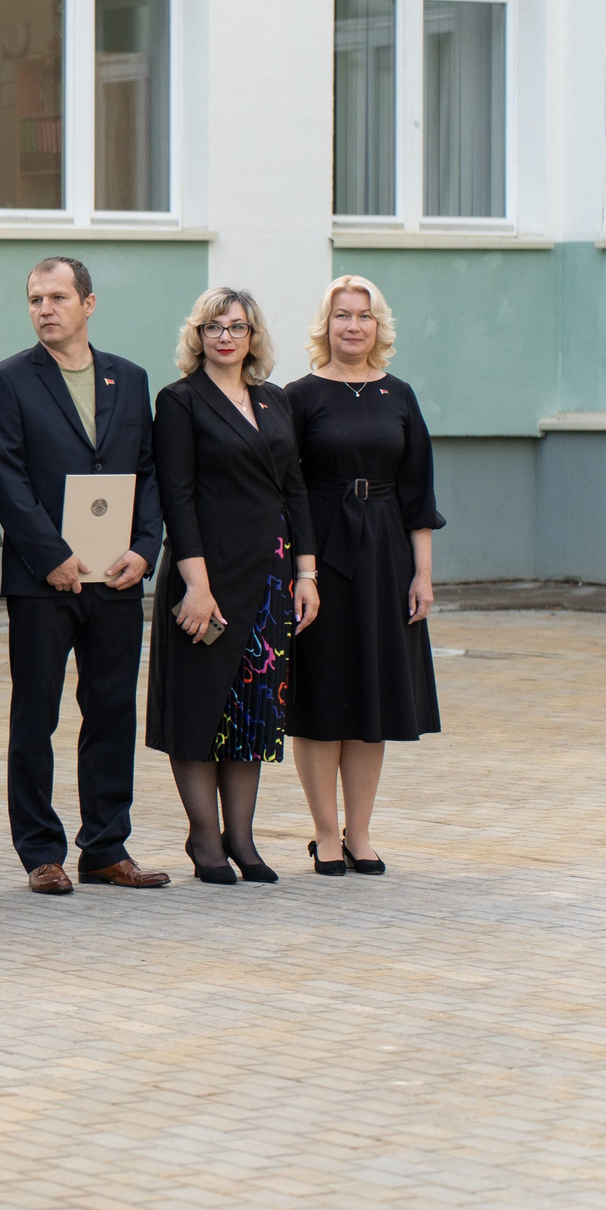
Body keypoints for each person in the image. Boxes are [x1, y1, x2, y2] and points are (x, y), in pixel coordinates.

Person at [0, 257, 174, 897]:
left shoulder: (129, 377)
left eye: (58, 297)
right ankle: (40, 851)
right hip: (45, 582)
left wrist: (145, 548)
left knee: (112, 711)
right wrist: (50, 554)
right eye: (36, 299)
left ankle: (106, 848)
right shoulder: (8, 380)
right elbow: (5, 476)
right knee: (35, 716)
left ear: (88, 304)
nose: (45, 309)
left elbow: (148, 469)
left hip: (116, 579)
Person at [146, 287, 321, 885]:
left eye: (237, 326)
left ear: (253, 336)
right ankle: (204, 838)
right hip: (206, 577)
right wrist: (195, 586)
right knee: (200, 707)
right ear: (197, 336)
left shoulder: (274, 400)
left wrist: (306, 573)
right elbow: (177, 497)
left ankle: (241, 839)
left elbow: (294, 489)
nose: (226, 336)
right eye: (214, 326)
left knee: (252, 711)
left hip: (269, 578)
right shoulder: (179, 401)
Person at [286, 276, 443, 877]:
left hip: (385, 556)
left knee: (372, 695)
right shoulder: (299, 396)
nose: (353, 326)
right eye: (342, 315)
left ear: (379, 327)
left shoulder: (400, 395)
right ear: (325, 325)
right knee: (322, 692)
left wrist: (422, 575)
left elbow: (418, 492)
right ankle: (326, 834)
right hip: (320, 555)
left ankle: (361, 832)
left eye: (364, 316)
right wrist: (301, 569)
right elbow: (288, 489)